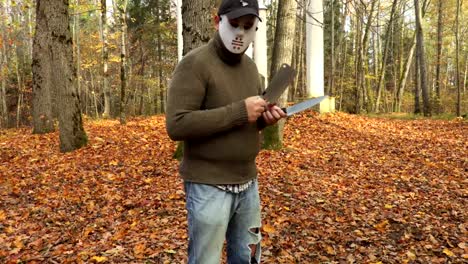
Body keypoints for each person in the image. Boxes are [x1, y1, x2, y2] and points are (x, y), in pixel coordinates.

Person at [165, 0, 286, 263]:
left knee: (247, 259)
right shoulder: (194, 64)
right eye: (234, 24)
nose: (240, 33)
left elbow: (246, 123)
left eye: (248, 26)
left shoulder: (251, 68)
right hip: (208, 185)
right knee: (206, 259)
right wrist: (240, 111)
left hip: (248, 183)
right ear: (217, 21)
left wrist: (264, 120)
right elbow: (177, 124)